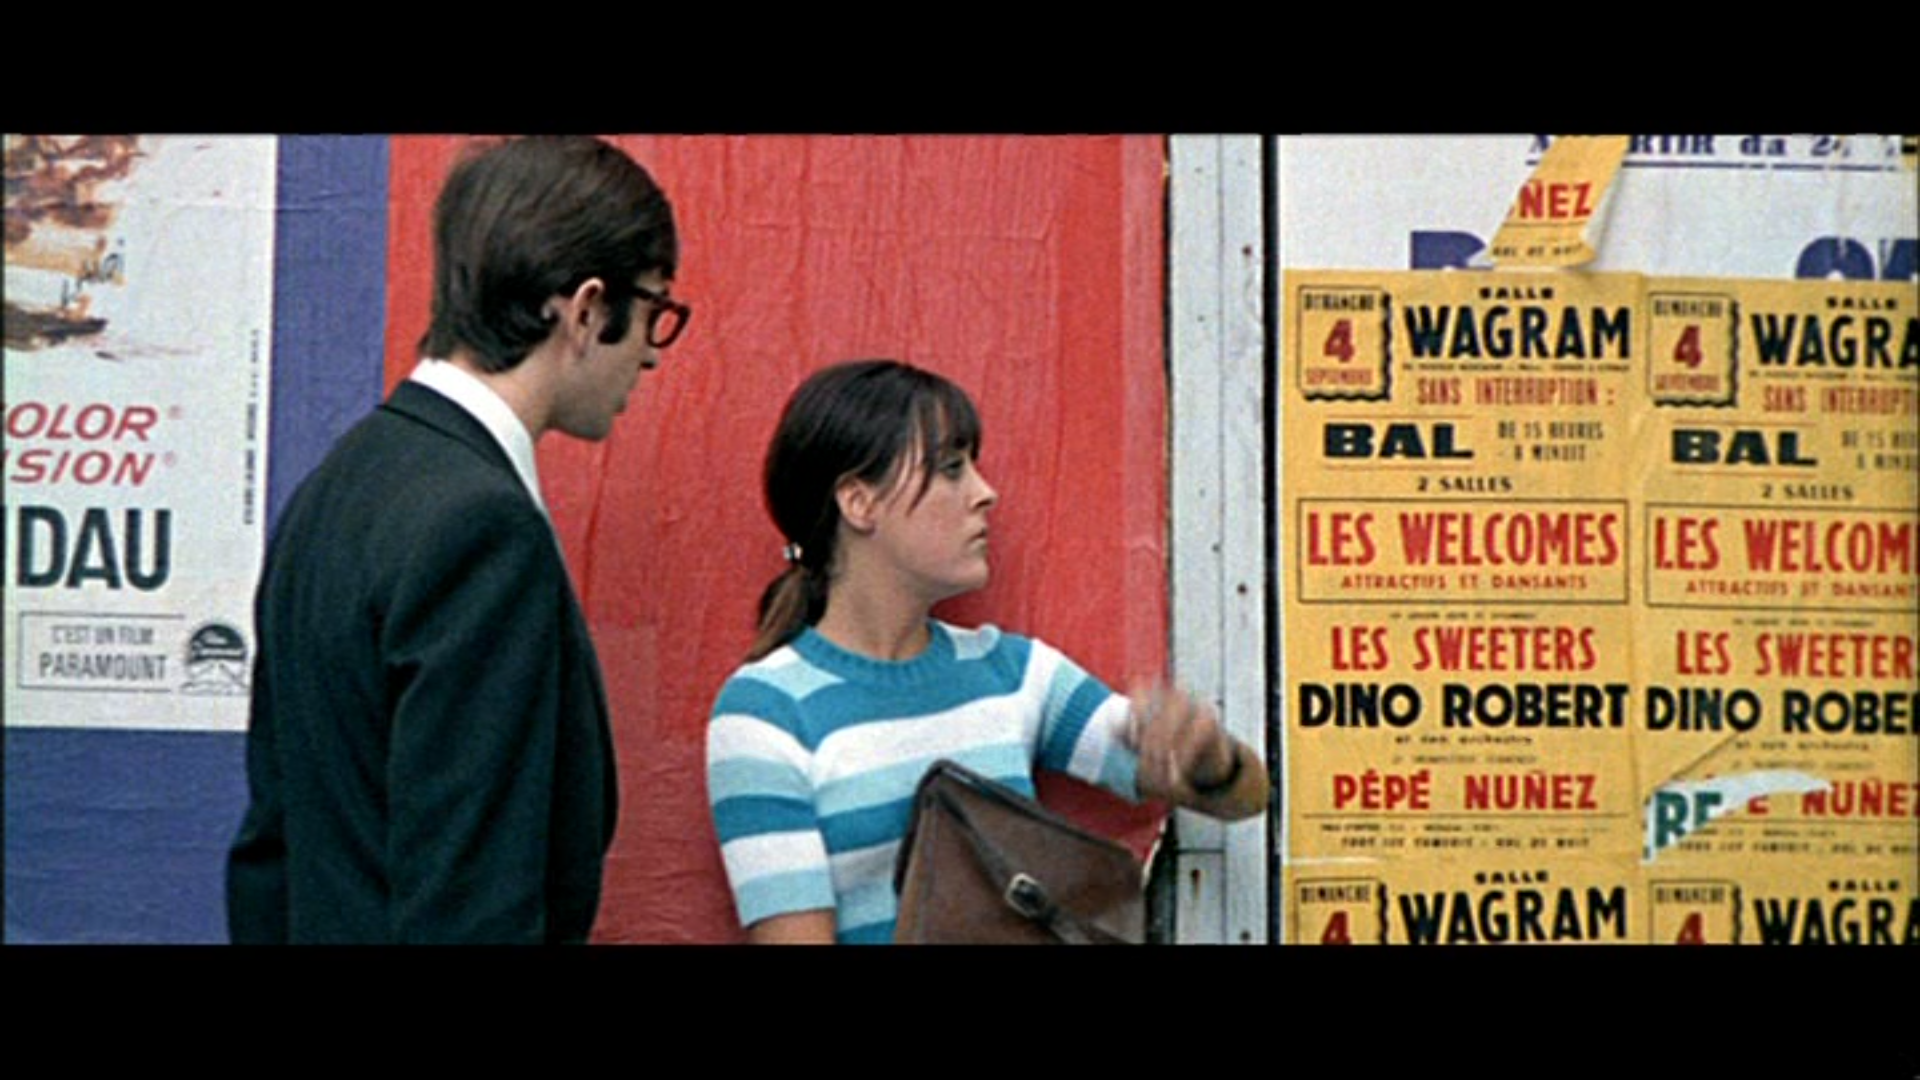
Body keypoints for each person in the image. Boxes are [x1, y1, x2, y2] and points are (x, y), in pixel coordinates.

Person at [226, 136, 688, 943]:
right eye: (655, 310)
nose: (652, 353)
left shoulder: (333, 488)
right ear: (585, 309)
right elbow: (475, 898)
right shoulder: (485, 529)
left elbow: (271, 858)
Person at [705, 359, 1267, 944]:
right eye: (951, 469)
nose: (985, 493)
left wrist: (1209, 760)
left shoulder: (1014, 674)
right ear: (859, 502)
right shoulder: (764, 714)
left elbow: (1246, 797)